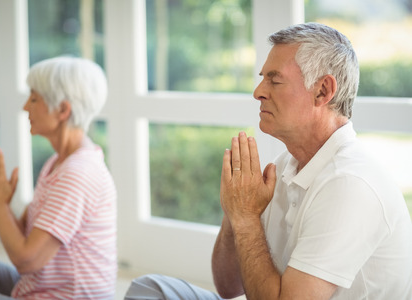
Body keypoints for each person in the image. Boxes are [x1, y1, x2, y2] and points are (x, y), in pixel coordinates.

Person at [124, 22, 412, 300]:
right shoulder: (287, 163)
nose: (258, 92)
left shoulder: (350, 184)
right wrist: (235, 212)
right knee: (150, 289)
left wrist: (248, 218)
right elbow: (228, 286)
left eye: (274, 80)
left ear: (323, 91)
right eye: (262, 78)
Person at [0, 56, 117, 299]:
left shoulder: (77, 174)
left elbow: (26, 261)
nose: (25, 107)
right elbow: (25, 236)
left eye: (34, 98)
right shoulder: (57, 162)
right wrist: (2, 204)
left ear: (63, 110)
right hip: (33, 287)